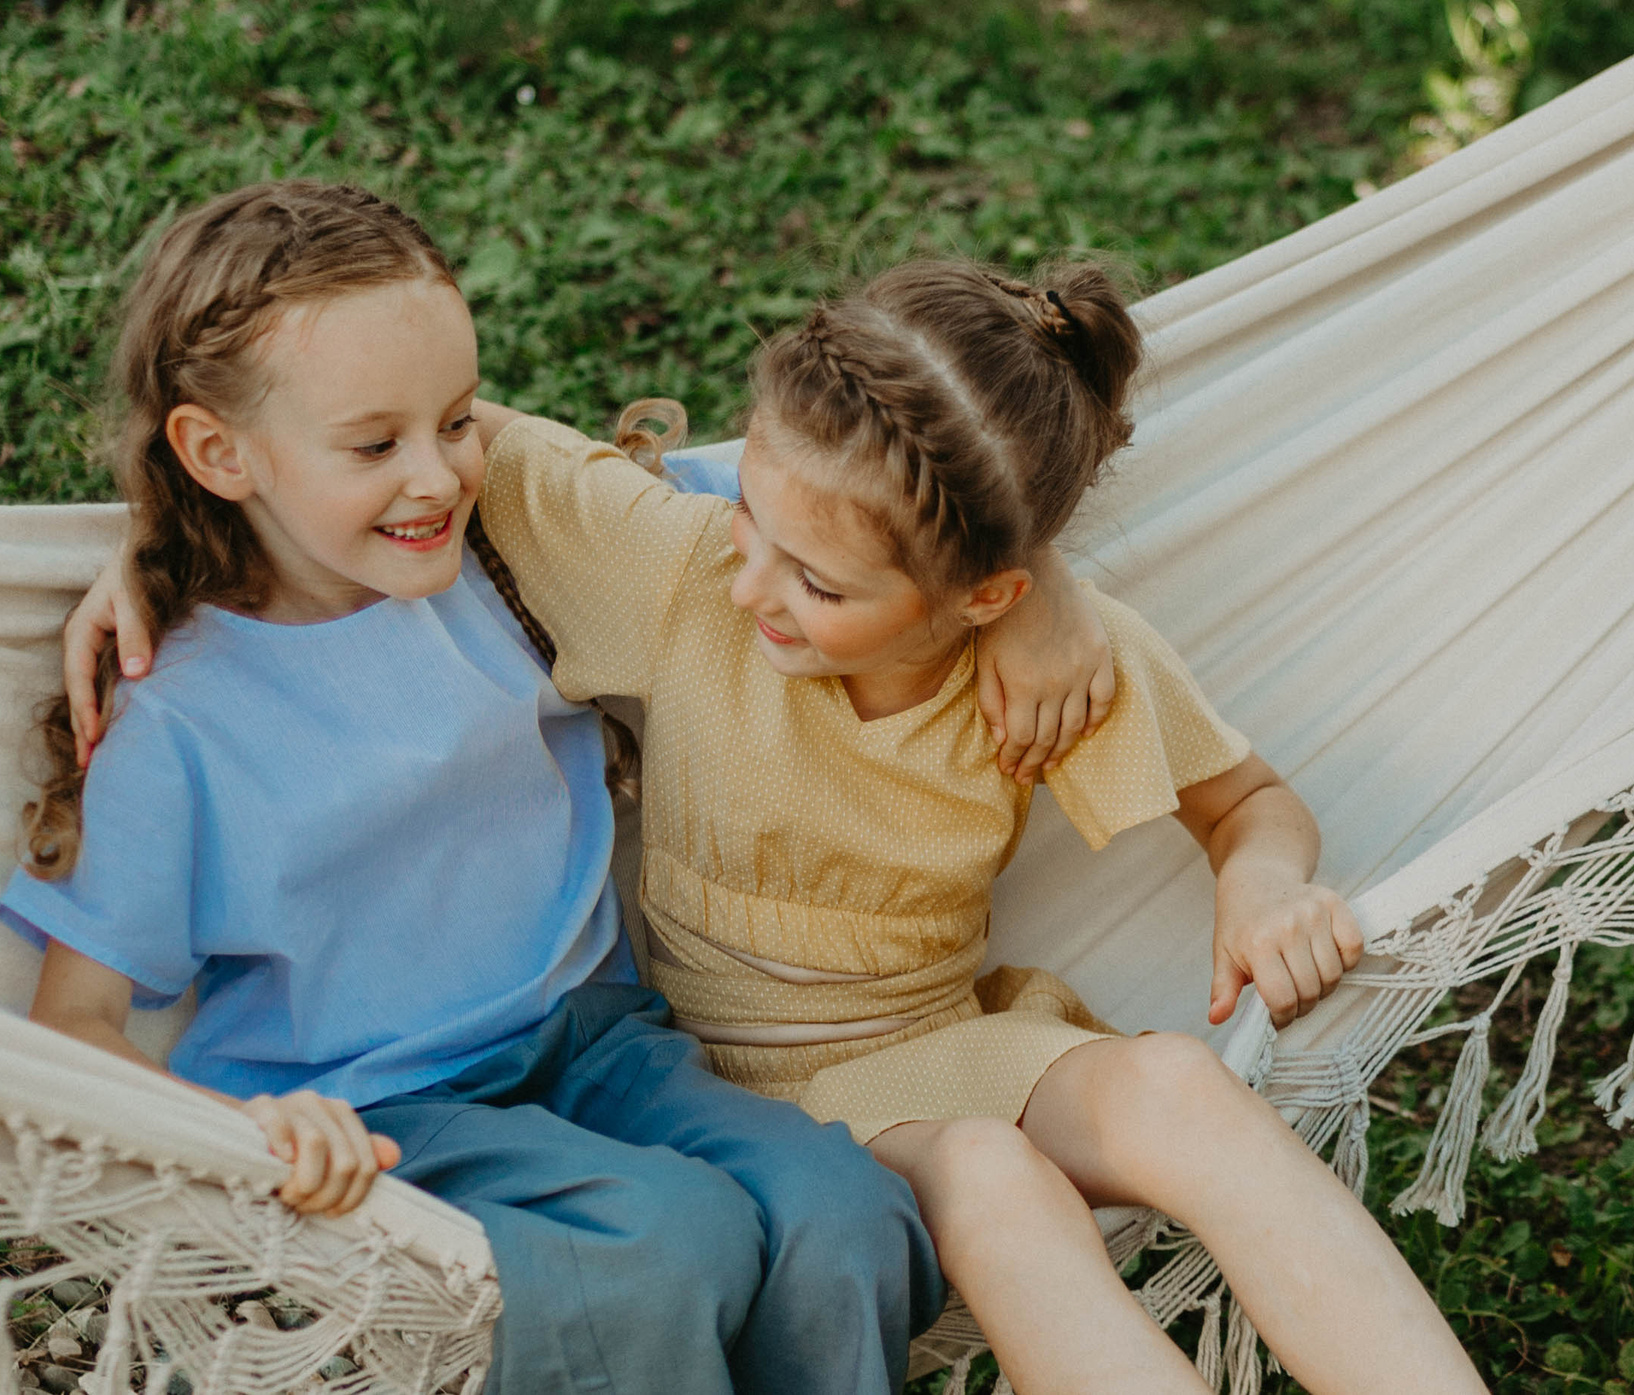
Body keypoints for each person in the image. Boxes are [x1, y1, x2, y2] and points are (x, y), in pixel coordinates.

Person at [0, 180, 1066, 1395]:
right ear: (215, 452)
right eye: (373, 444)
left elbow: (870, 522)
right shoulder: (174, 717)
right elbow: (69, 1031)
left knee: (847, 1215)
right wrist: (248, 1136)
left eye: (456, 419)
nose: (439, 475)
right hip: (379, 1113)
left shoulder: (509, 560)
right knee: (664, 1248)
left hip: (602, 1047)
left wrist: (1047, 595)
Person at [450, 260, 1490, 1395]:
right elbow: (455, 427)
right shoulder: (684, 576)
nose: (754, 587)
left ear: (982, 597)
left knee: (1185, 1094)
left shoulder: (1052, 679)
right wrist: (1040, 575)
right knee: (993, 1172)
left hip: (937, 1037)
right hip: (736, 1098)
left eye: (821, 585)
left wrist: (1264, 884)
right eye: (750, 513)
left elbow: (1248, 804)